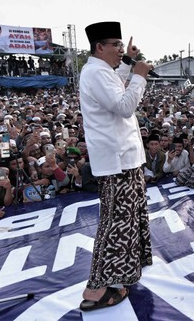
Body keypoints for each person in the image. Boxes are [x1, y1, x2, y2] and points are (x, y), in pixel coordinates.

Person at [78, 21, 153, 311]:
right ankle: (97, 288)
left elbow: (114, 92)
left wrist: (127, 68)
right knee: (116, 225)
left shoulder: (102, 72)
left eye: (122, 45)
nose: (121, 50)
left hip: (125, 160)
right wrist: (139, 77)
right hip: (117, 162)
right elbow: (123, 106)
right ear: (100, 47)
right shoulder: (95, 71)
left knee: (128, 219)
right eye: (117, 45)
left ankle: (122, 274)